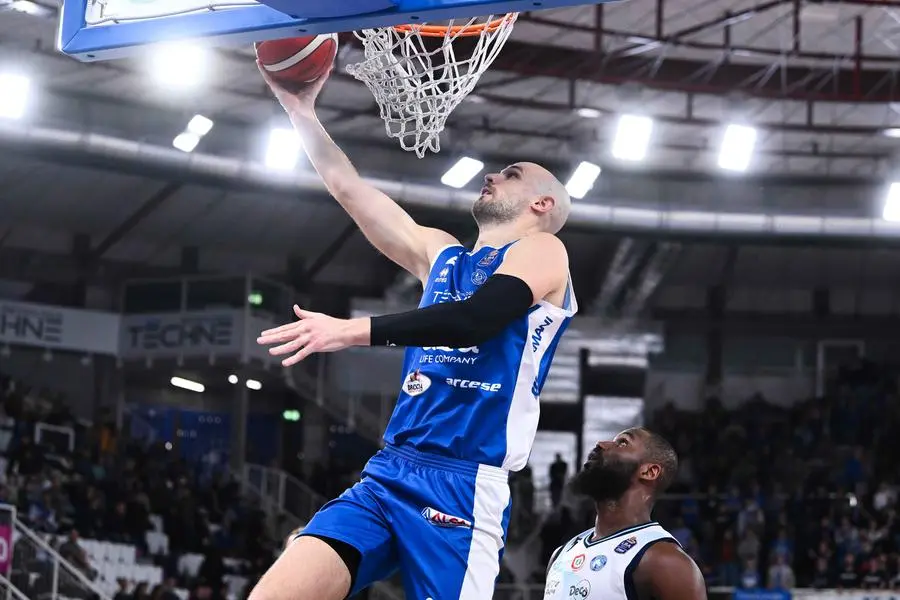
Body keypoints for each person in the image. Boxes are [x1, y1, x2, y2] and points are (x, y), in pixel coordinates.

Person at [251, 64, 577, 600]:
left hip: (463, 483)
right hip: (388, 472)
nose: (493, 175)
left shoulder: (544, 251)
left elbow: (475, 320)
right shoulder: (441, 254)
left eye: (511, 173)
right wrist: (300, 111)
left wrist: (351, 331)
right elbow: (348, 189)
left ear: (541, 204)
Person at [544, 428, 706, 600]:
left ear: (650, 472)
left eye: (622, 443)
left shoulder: (664, 561)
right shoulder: (561, 554)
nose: (601, 444)